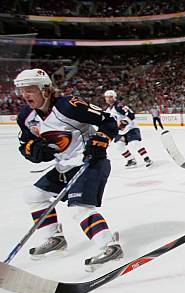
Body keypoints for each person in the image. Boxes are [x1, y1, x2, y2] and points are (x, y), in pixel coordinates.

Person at [15, 68, 124, 271]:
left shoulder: (69, 106)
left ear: (45, 90)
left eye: (29, 90)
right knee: (32, 195)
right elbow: (24, 144)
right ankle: (53, 238)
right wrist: (34, 150)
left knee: (78, 207)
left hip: (89, 163)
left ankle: (109, 245)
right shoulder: (26, 116)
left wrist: (101, 139)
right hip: (64, 167)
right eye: (21, 91)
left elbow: (109, 121)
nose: (24, 95)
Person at [104, 90, 153, 168]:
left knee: (134, 143)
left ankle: (147, 159)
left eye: (110, 97)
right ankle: (131, 159)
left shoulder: (119, 106)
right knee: (117, 145)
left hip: (131, 128)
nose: (108, 99)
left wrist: (123, 123)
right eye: (107, 97)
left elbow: (131, 115)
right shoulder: (108, 110)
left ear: (114, 97)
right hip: (122, 131)